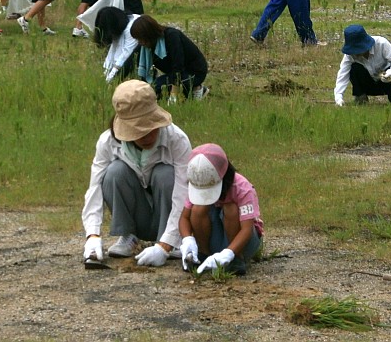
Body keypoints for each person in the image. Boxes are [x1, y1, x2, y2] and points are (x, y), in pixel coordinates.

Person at [81, 79, 191, 267]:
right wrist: (93, 235)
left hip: (168, 217)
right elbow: (95, 188)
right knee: (114, 172)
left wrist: (165, 245)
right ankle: (129, 237)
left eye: (151, 128)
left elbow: (184, 193)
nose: (147, 136)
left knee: (165, 174)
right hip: (138, 212)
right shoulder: (107, 142)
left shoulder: (177, 140)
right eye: (139, 131)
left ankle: (172, 242)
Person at [179, 143, 263, 276]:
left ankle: (236, 259)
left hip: (244, 242)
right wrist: (187, 240)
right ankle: (204, 254)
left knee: (231, 209)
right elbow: (184, 217)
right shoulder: (198, 181)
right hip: (216, 237)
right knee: (198, 208)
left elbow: (247, 229)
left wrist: (228, 253)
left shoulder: (242, 188)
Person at [130, 15, 208, 103]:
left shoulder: (172, 36)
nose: (139, 42)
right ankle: (188, 90)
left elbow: (178, 65)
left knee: (158, 87)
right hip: (174, 74)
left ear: (149, 34)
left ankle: (196, 88)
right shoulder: (146, 46)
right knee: (152, 89)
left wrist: (173, 94)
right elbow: (131, 60)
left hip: (194, 72)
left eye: (140, 39)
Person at [334, 24, 391, 106]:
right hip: (369, 85)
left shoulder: (381, 43)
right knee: (354, 68)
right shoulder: (350, 55)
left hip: (388, 83)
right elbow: (343, 74)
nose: (356, 53)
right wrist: (338, 97)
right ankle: (361, 98)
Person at [94, 6, 140, 83]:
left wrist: (110, 78)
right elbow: (113, 49)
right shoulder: (120, 27)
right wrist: (106, 72)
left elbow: (126, 54)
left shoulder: (133, 26)